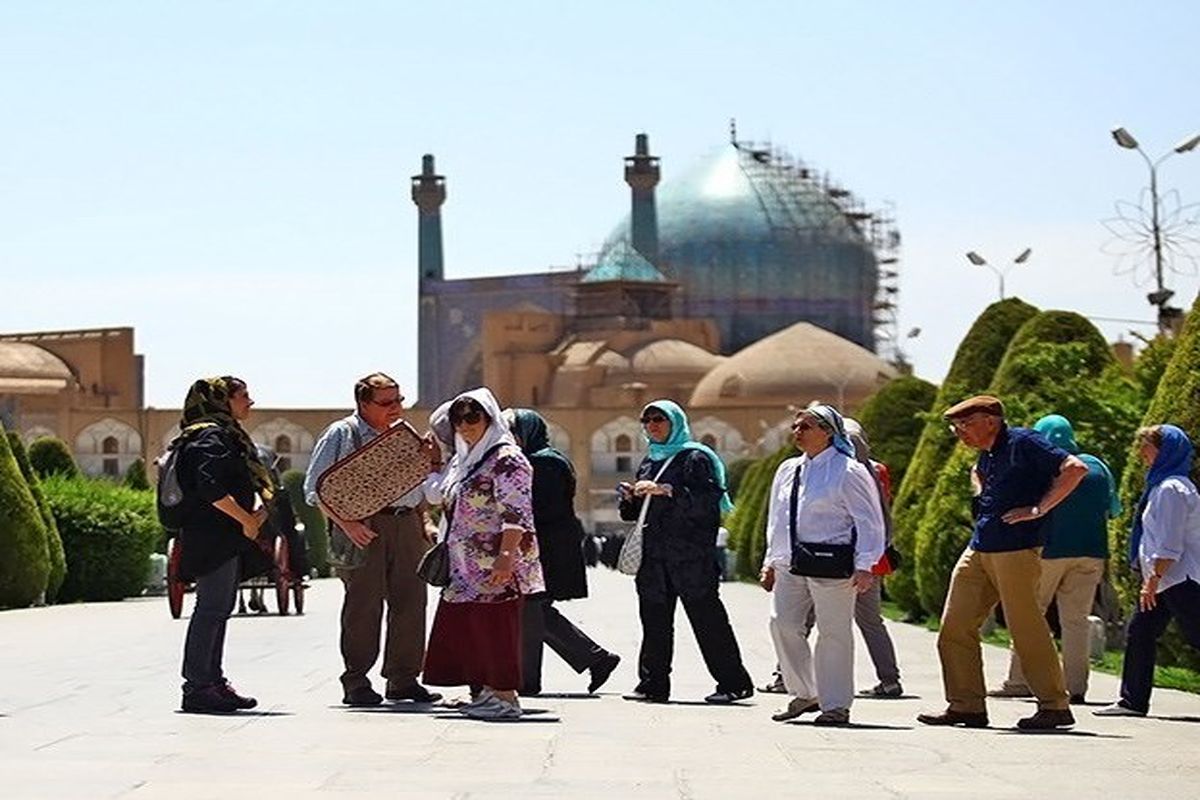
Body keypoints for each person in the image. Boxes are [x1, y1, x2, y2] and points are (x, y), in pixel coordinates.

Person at [917, 395, 1088, 731]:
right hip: (980, 547)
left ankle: (1055, 706)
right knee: (954, 627)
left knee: (1026, 627)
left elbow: (1074, 469)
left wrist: (1039, 509)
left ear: (991, 420)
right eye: (956, 426)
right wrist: (979, 487)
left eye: (966, 424)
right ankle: (966, 706)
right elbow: (981, 480)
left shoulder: (1024, 442)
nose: (959, 432)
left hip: (1016, 549)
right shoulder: (988, 454)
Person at [305, 373, 441, 707]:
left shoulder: (402, 437)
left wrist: (424, 518)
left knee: (411, 602)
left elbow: (414, 485)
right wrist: (347, 524)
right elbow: (315, 490)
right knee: (363, 606)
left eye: (399, 400)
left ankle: (403, 679)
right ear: (363, 403)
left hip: (406, 526)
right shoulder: (343, 433)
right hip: (364, 529)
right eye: (386, 402)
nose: (396, 408)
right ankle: (356, 681)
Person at [619, 399, 753, 704]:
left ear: (675, 422)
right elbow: (637, 514)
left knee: (708, 622)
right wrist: (630, 498)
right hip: (654, 559)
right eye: (647, 420)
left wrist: (667, 490)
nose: (652, 425)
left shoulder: (695, 458)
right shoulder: (650, 460)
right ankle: (653, 684)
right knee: (654, 623)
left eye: (659, 419)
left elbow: (707, 502)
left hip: (690, 558)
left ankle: (734, 683)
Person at [423, 389, 546, 719]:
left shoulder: (506, 458)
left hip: (494, 560)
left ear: (490, 418)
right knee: (474, 628)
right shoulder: (472, 459)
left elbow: (516, 512)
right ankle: (485, 692)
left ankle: (505, 698)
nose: (464, 426)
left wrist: (505, 557)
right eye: (458, 419)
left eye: (472, 418)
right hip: (466, 564)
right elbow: (441, 497)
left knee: (496, 627)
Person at [760, 405, 885, 726]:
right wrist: (770, 560)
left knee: (834, 633)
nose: (797, 432)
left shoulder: (848, 471)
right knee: (782, 624)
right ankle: (805, 692)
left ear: (828, 431)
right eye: (796, 426)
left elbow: (869, 520)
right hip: (790, 562)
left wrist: (866, 564)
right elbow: (776, 518)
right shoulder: (789, 469)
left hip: (833, 564)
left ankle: (836, 704)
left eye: (806, 427)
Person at [991, 414, 1119, 704]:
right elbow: (1114, 509)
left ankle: (1018, 680)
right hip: (1091, 553)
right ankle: (1075, 687)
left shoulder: (1042, 468)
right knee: (1076, 622)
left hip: (1047, 552)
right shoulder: (1098, 466)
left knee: (1029, 614)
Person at [175, 377, 273, 713]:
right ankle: (198, 687)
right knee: (211, 610)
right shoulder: (209, 436)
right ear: (222, 400)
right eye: (243, 396)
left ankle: (212, 683)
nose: (250, 401)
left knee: (217, 610)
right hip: (212, 536)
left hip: (220, 536)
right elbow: (210, 486)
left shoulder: (220, 434)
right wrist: (245, 519)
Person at [509, 408, 621, 696]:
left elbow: (541, 508)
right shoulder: (545, 460)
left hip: (547, 547)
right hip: (546, 545)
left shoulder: (543, 464)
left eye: (514, 431)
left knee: (532, 610)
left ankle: (530, 680)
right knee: (534, 610)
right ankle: (595, 658)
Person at [1095, 425, 1200, 717]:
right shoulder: (1163, 486)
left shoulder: (1171, 490)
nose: (1141, 453)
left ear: (1165, 451)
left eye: (1147, 446)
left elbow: (1170, 542)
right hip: (1166, 579)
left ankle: (1133, 700)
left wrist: (1151, 579)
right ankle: (1132, 701)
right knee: (1140, 632)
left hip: (1179, 578)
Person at [843, 417, 905, 699]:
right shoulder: (877, 469)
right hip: (872, 556)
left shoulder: (836, 471)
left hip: (835, 556)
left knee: (805, 617)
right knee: (871, 621)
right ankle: (890, 680)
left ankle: (787, 675)